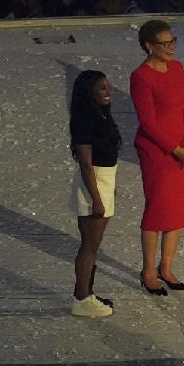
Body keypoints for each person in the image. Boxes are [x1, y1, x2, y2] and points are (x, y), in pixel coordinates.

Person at [130, 19, 184, 296]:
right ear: (149, 46)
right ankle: (148, 271)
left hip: (181, 147)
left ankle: (166, 267)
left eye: (173, 41)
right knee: (158, 210)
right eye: (164, 43)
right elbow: (148, 122)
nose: (171, 47)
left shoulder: (178, 68)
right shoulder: (141, 77)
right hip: (157, 151)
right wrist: (175, 149)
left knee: (177, 210)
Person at [69, 70, 121, 318]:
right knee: (89, 245)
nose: (108, 92)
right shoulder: (85, 120)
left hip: (104, 179)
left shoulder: (99, 115)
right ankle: (81, 298)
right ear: (89, 91)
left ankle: (87, 293)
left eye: (108, 86)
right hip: (94, 183)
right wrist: (97, 199)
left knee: (93, 245)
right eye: (102, 88)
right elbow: (86, 165)